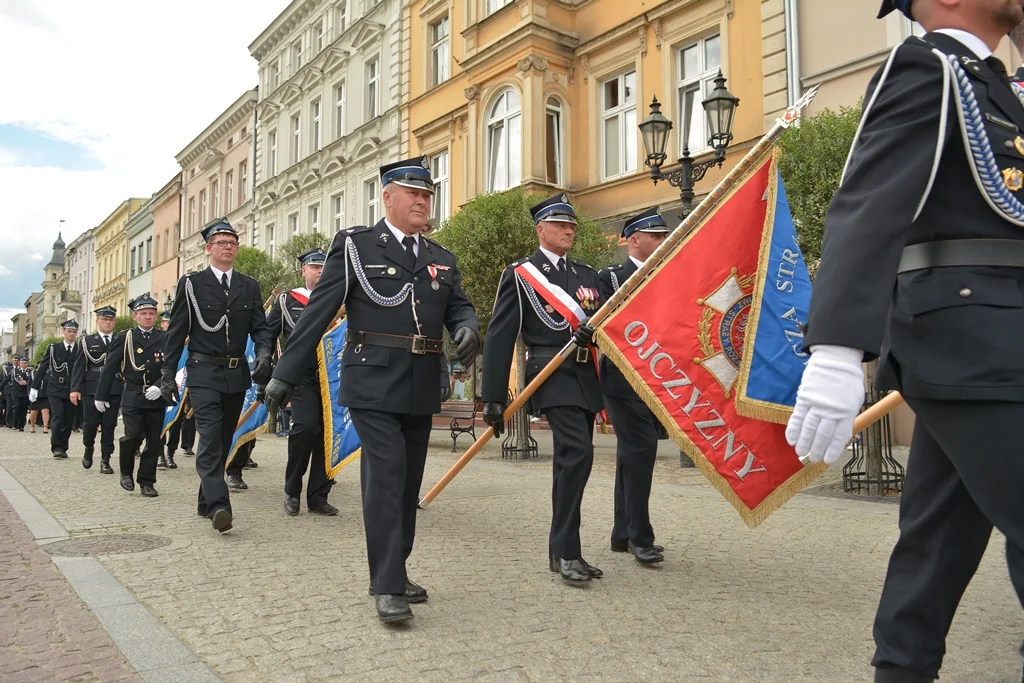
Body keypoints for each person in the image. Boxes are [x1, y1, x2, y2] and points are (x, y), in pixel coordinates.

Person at [786, 2, 1024, 682]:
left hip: (994, 345)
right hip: (970, 342)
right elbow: (869, 201)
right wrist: (835, 354)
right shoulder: (925, 67)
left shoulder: (997, 84)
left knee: (935, 548)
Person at [265, 156, 480, 623]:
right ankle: (387, 587)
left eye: (428, 194)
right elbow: (319, 312)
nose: (423, 200)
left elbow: (459, 307)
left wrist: (467, 326)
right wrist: (283, 375)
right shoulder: (357, 246)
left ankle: (394, 567)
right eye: (414, 193)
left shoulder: (442, 258)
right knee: (385, 477)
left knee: (406, 485)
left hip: (422, 383)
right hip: (371, 380)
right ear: (388, 197)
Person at [480, 192, 604, 585]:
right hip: (550, 373)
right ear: (541, 229)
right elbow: (501, 336)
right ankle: (566, 551)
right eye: (560, 224)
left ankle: (564, 550)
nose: (569, 230)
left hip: (585, 375)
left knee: (573, 460)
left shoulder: (586, 274)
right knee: (578, 454)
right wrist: (494, 396)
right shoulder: (521, 274)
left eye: (571, 225)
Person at [160, 218, 273, 533]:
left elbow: (261, 328)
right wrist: (168, 373)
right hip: (203, 371)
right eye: (221, 242)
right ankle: (220, 506)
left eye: (232, 242)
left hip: (236, 374)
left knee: (223, 441)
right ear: (208, 248)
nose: (228, 247)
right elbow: (177, 331)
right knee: (209, 439)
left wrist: (264, 353)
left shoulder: (248, 285)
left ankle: (204, 499)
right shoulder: (192, 284)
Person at [597, 206, 669, 565]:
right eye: (655, 236)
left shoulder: (667, 276)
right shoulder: (610, 278)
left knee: (631, 456)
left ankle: (622, 533)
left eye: (663, 236)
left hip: (656, 378)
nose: (662, 241)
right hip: (623, 380)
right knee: (642, 452)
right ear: (634, 240)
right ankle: (641, 537)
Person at [266, 248, 337, 516]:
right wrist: (267, 364)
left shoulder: (338, 298)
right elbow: (268, 333)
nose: (320, 272)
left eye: (324, 267)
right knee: (306, 428)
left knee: (329, 438)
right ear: (303, 271)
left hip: (334, 378)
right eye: (315, 267)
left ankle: (319, 496)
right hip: (303, 377)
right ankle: (292, 490)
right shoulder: (287, 301)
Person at [95, 296, 167, 497]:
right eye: (143, 314)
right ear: (135, 316)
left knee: (154, 441)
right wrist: (101, 395)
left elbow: (170, 366)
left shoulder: (164, 337)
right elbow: (110, 367)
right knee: (132, 435)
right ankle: (126, 472)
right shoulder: (124, 337)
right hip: (133, 395)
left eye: (151, 314)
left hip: (156, 397)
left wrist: (161, 386)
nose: (148, 317)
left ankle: (147, 481)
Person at [71, 306, 120, 473]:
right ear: (97, 321)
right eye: (105, 319)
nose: (108, 322)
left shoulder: (120, 340)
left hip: (113, 387)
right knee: (90, 424)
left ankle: (106, 459)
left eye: (111, 319)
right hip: (92, 386)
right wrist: (75, 389)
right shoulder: (87, 341)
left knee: (109, 425)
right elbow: (79, 366)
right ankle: (88, 447)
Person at [32, 320, 82, 458]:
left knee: (68, 419)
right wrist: (34, 387)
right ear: (63, 332)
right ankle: (56, 447)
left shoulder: (80, 349)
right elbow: (43, 367)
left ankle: (63, 447)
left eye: (74, 332)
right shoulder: (53, 348)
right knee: (58, 416)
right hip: (55, 388)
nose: (71, 334)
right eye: (69, 331)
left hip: (72, 388)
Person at [7, 356, 31, 431]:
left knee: (24, 409)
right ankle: (15, 423)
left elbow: (32, 380)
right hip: (16, 392)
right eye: (22, 363)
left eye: (25, 363)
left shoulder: (30, 372)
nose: (24, 364)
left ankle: (21, 425)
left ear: (27, 364)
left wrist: (27, 382)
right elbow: (16, 380)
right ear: (20, 364)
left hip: (25, 393)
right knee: (17, 407)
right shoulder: (15, 371)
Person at [28, 365, 50, 435]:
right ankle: (32, 426)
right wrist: (29, 393)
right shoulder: (33, 373)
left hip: (45, 394)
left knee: (45, 411)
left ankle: (45, 427)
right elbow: (29, 384)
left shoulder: (48, 373)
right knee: (34, 412)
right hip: (35, 395)